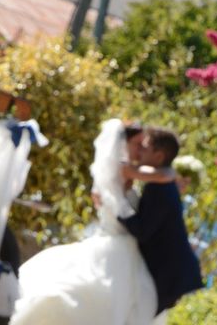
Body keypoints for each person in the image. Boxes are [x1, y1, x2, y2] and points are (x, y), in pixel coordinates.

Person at [10, 120, 172, 325]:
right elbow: (164, 177)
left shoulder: (127, 171)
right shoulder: (121, 170)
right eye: (137, 144)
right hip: (116, 246)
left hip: (126, 248)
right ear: (124, 144)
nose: (140, 150)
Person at [118, 128, 204, 325]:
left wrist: (117, 208)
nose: (139, 152)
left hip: (175, 280)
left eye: (145, 148)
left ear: (158, 156)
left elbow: (142, 230)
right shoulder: (159, 182)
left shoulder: (161, 188)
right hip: (169, 277)